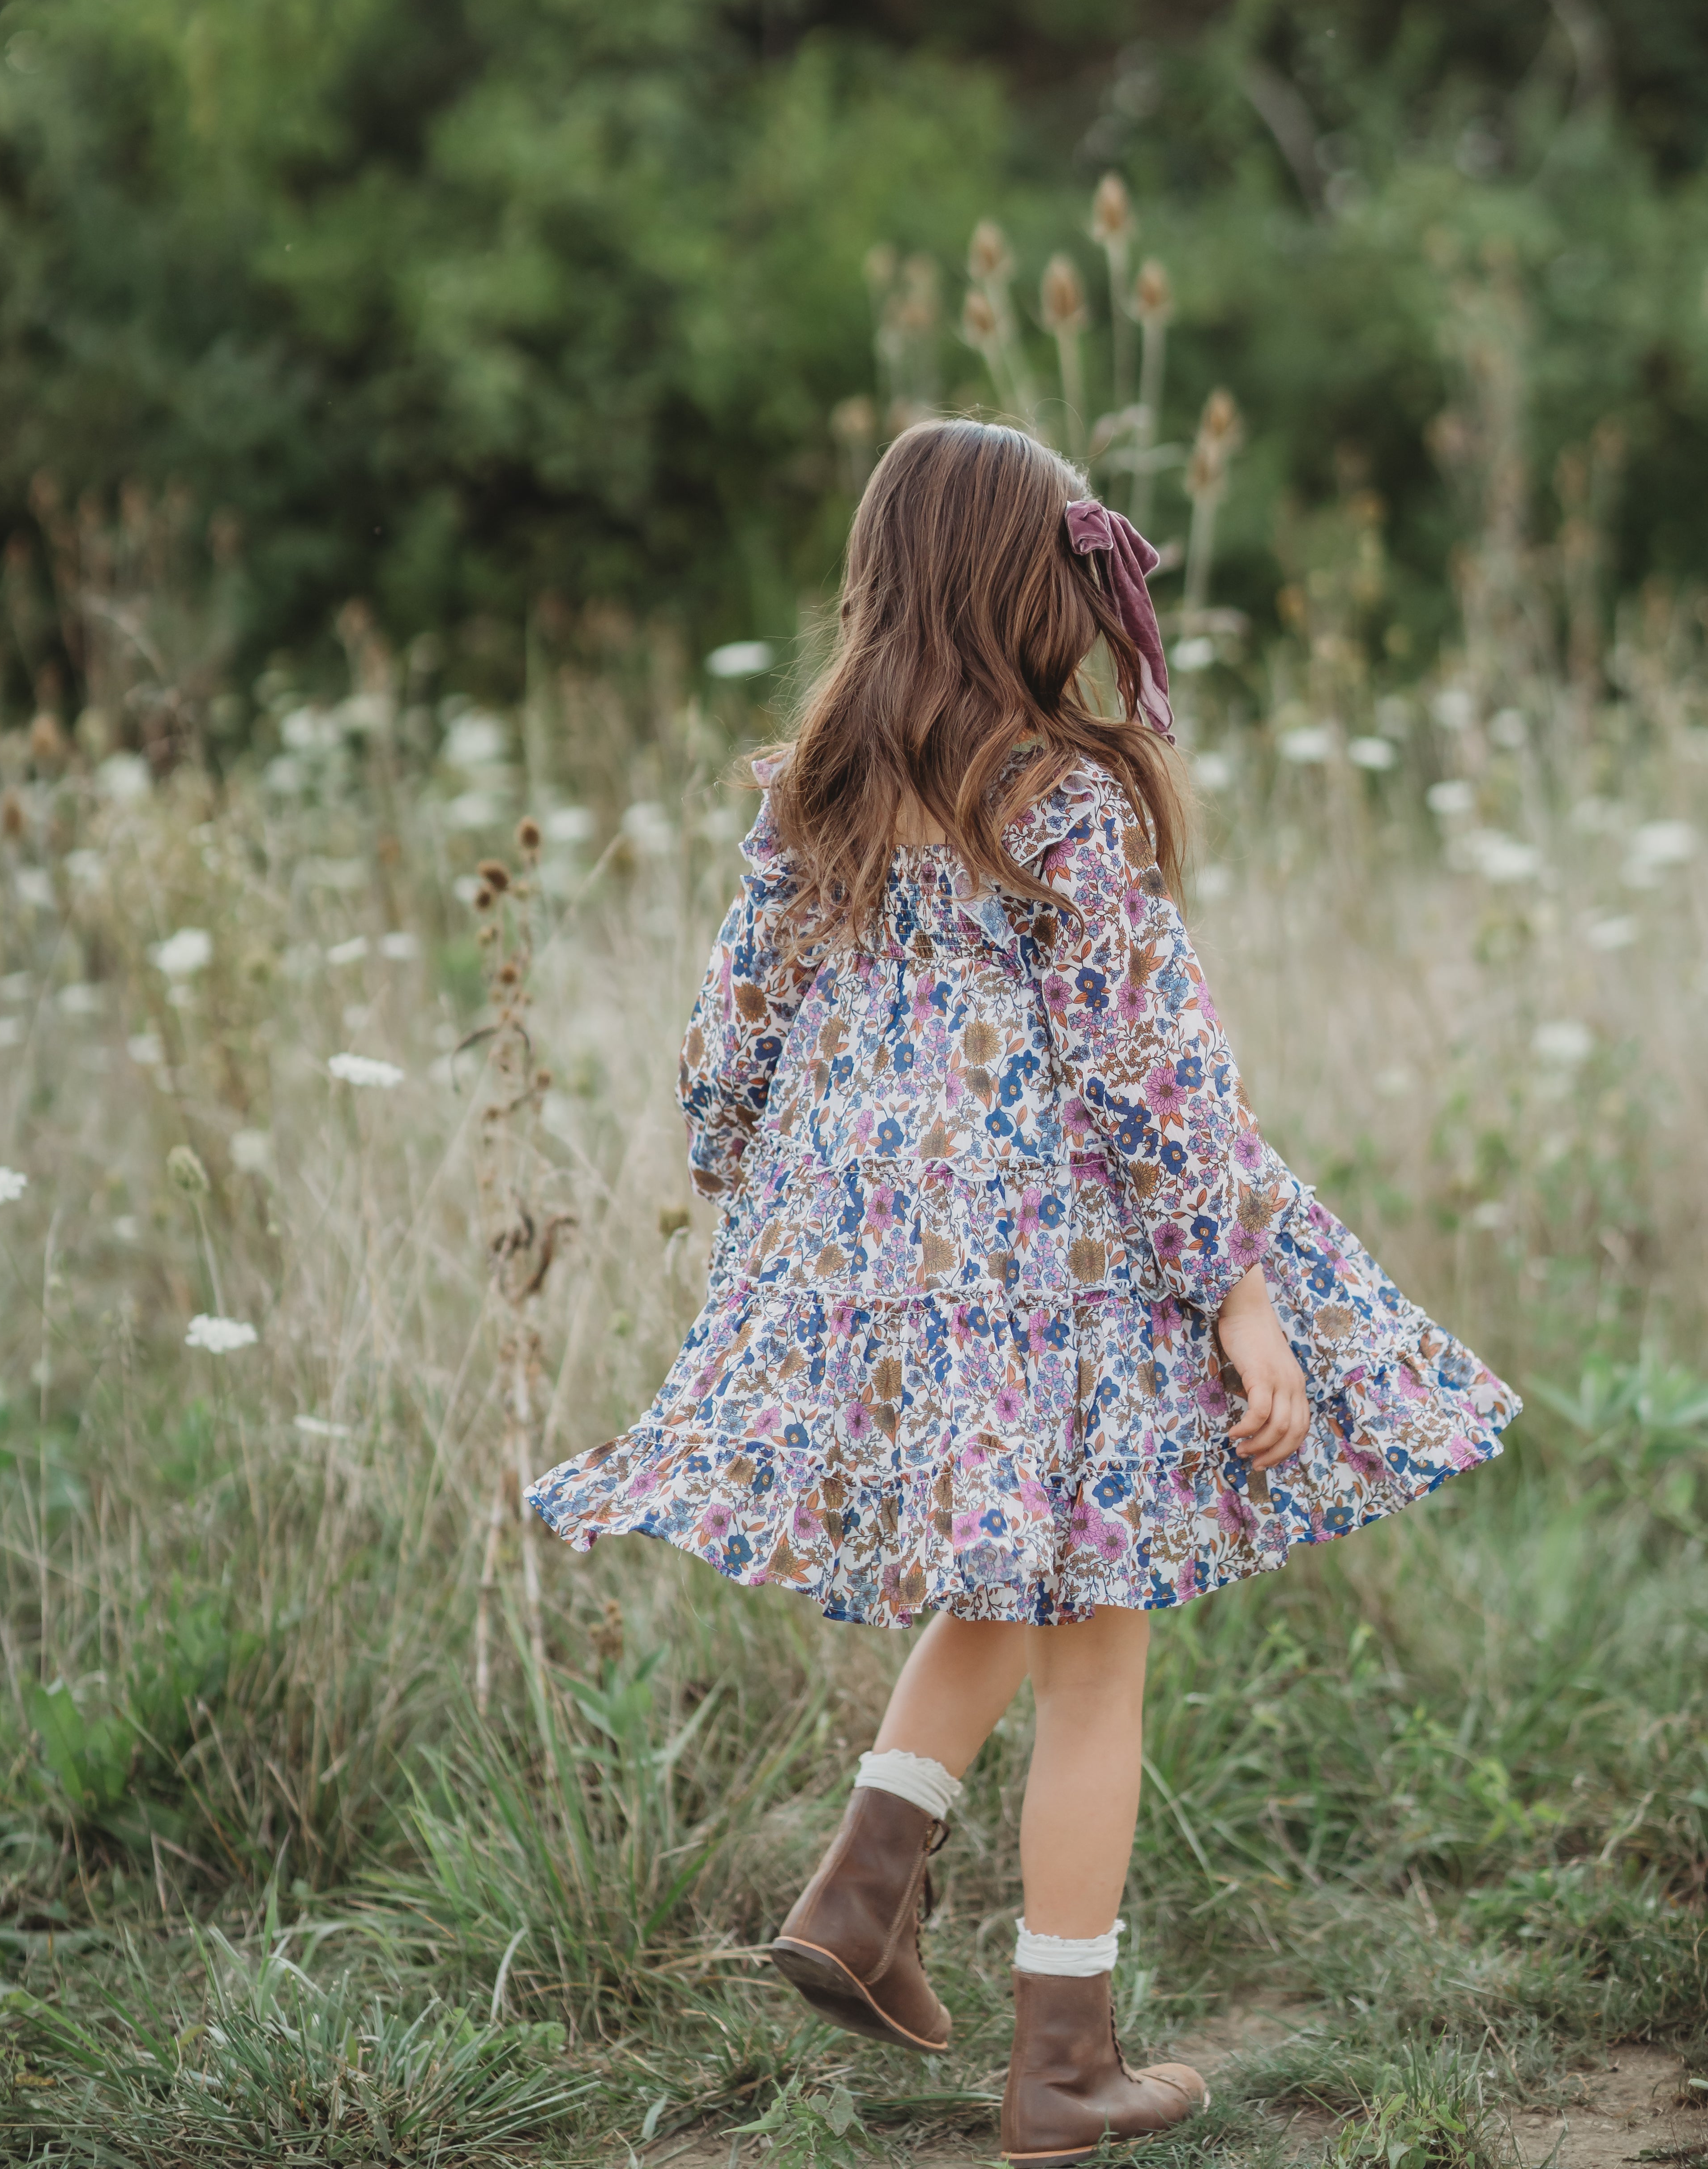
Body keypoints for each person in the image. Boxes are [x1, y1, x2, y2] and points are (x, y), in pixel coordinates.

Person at [530, 418, 1518, 2168]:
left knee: (1004, 1584)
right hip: (1074, 1278)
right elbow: (1158, 1071)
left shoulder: (812, 795)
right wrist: (1237, 1294)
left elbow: (726, 1040)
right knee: (1096, 1661)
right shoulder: (1056, 802)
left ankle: (857, 1899)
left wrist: (754, 1191)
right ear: (1023, 587)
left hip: (902, 1277)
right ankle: (1061, 2066)